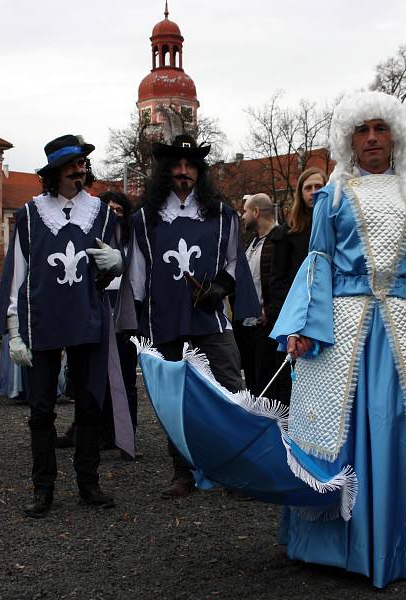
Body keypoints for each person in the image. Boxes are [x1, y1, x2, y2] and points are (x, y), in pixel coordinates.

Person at [270, 91, 406, 588]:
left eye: (380, 129)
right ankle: (340, 547)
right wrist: (302, 327)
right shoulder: (333, 196)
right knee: (337, 425)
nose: (371, 138)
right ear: (349, 139)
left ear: (396, 136)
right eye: (362, 130)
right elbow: (317, 263)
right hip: (345, 329)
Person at [0, 134, 132, 518]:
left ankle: (89, 483)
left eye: (83, 165)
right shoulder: (31, 214)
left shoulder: (101, 213)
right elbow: (17, 273)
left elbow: (112, 278)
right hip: (42, 324)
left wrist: (116, 266)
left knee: (89, 406)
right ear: (55, 173)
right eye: (71, 167)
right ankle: (44, 489)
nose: (79, 171)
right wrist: (15, 330)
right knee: (41, 411)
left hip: (88, 319)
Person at [129, 134, 259, 498]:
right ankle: (182, 472)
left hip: (210, 320)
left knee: (232, 390)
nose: (183, 172)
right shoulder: (145, 220)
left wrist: (220, 287)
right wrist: (135, 325)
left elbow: (234, 261)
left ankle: (239, 469)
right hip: (163, 321)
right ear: (164, 172)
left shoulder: (222, 215)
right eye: (175, 166)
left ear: (200, 172)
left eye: (190, 166)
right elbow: (138, 275)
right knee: (173, 399)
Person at [57, 190, 140, 459]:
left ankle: (127, 435)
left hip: (122, 313)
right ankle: (97, 433)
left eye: (119, 210)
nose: (114, 213)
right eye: (109, 209)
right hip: (95, 311)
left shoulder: (130, 240)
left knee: (125, 378)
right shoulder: (87, 238)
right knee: (93, 377)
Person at [268, 167, 327, 403]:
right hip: (297, 316)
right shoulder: (287, 233)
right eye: (308, 187)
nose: (313, 192)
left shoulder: (336, 226)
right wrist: (293, 321)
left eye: (318, 186)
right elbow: (278, 281)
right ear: (300, 193)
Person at [235, 193, 280, 398]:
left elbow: (285, 284)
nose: (242, 216)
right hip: (248, 330)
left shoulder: (280, 240)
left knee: (270, 389)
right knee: (254, 386)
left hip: (268, 329)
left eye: (245, 211)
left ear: (256, 212)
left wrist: (269, 312)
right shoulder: (251, 244)